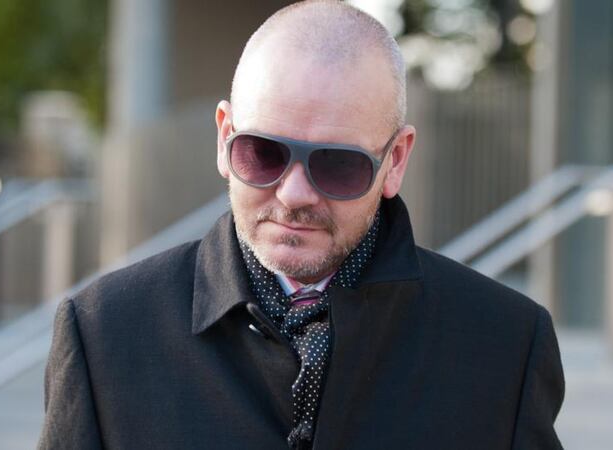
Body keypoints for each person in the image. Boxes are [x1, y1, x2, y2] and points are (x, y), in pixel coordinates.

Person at [37, 1, 565, 449]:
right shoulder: (105, 334)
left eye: (337, 164)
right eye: (262, 153)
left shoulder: (505, 347)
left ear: (395, 161)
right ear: (224, 139)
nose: (293, 194)